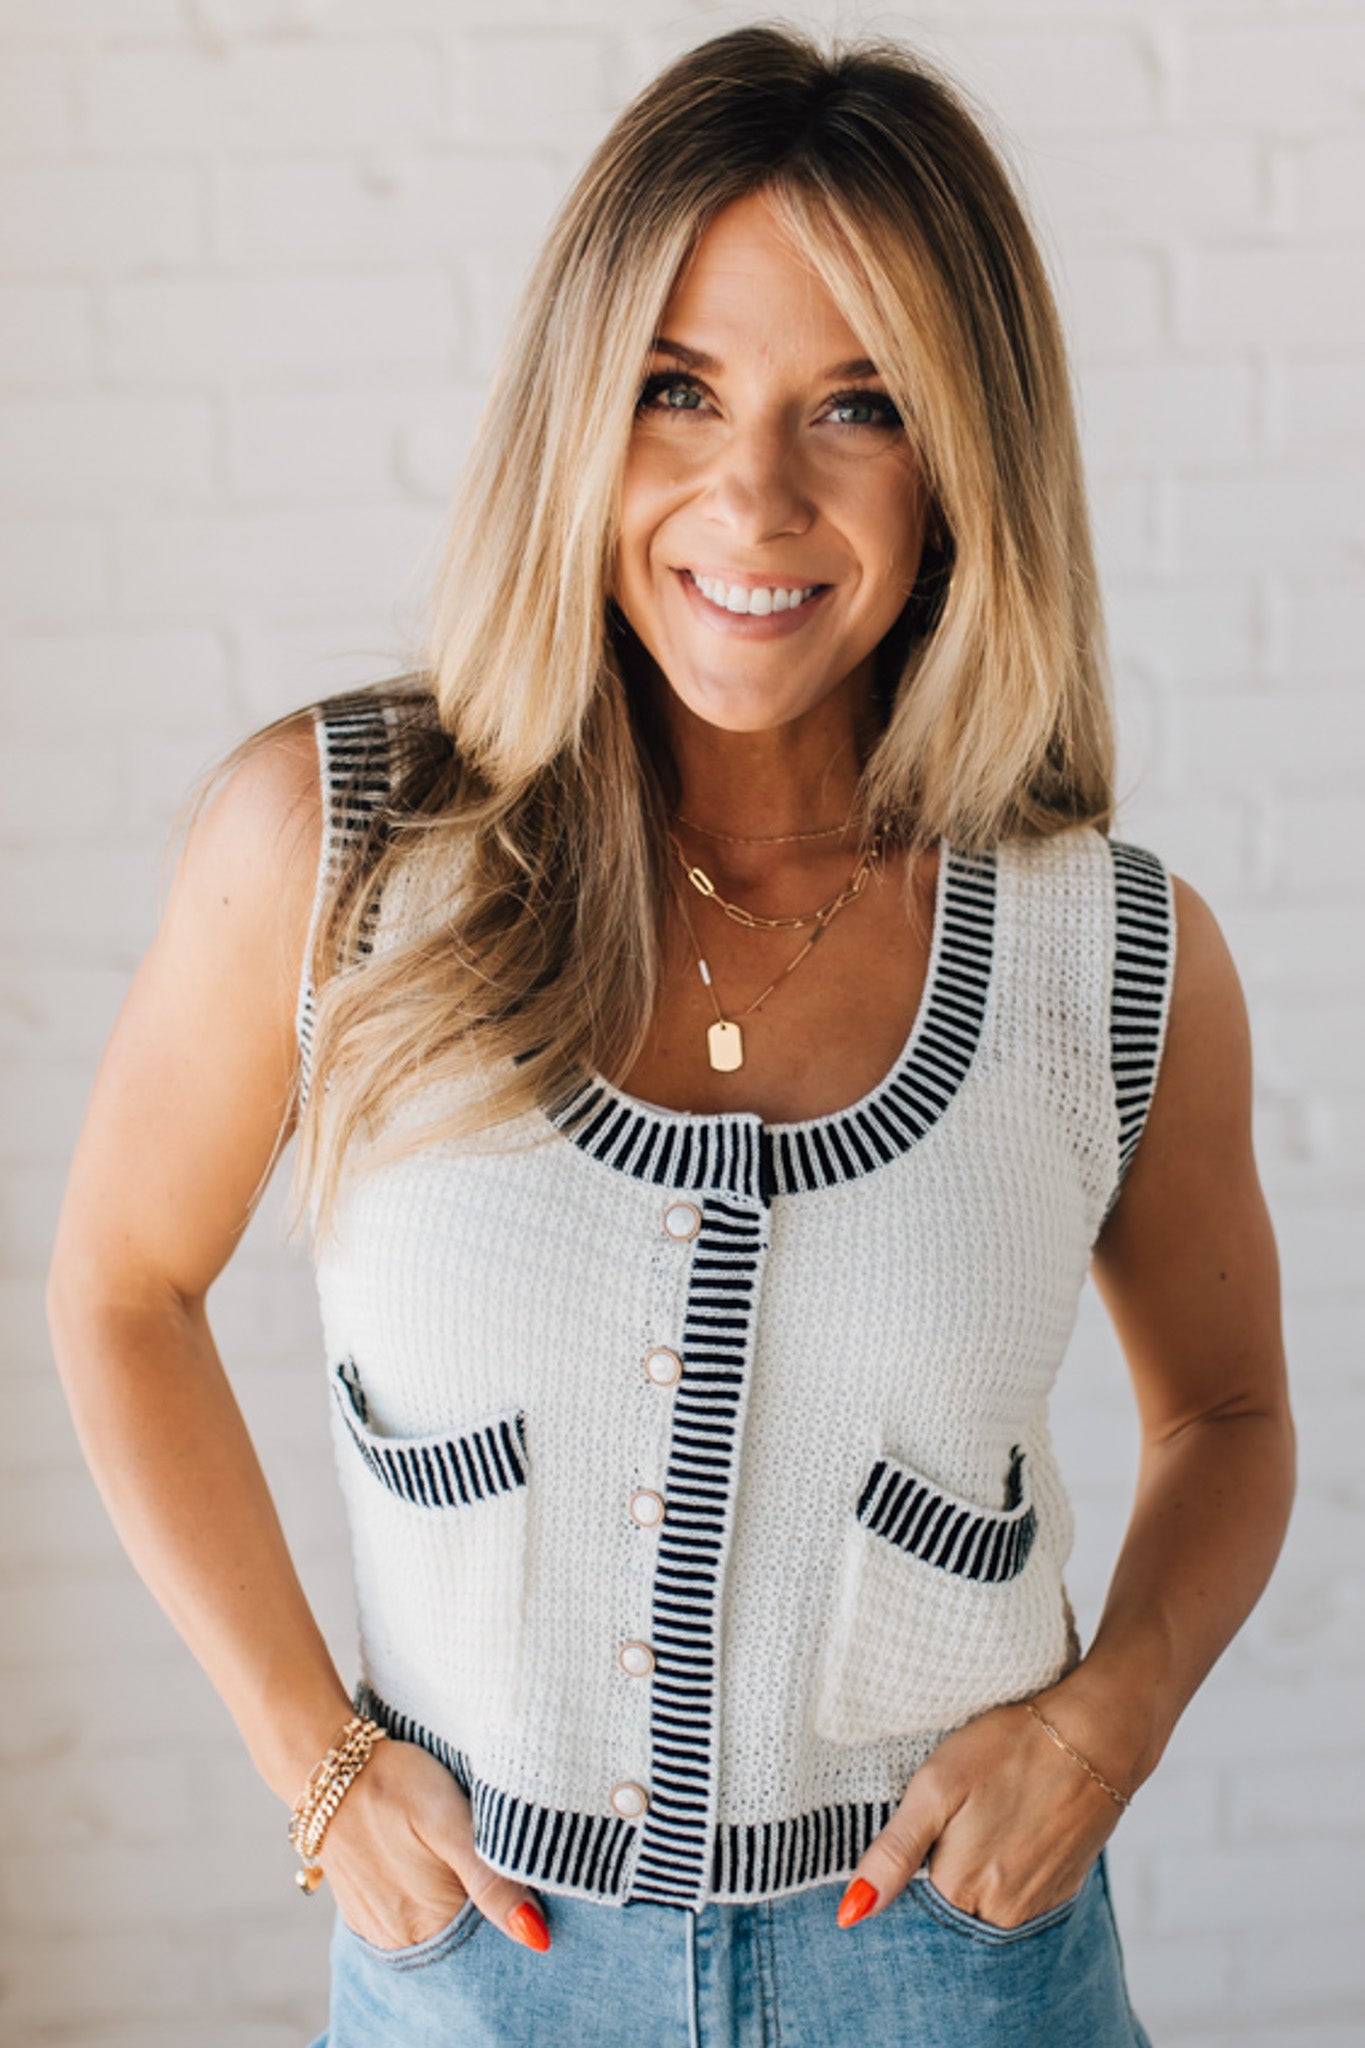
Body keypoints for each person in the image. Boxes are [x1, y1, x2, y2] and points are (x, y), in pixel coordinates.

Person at [47, 24, 1294, 2048]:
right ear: (575, 409)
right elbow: (119, 1285)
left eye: (857, 406)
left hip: (952, 1972)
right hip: (481, 1973)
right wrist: (311, 1760)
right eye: (676, 388)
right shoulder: (339, 856)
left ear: (960, 460)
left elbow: (1227, 1418)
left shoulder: (1109, 955)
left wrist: (1109, 1720)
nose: (754, 497)